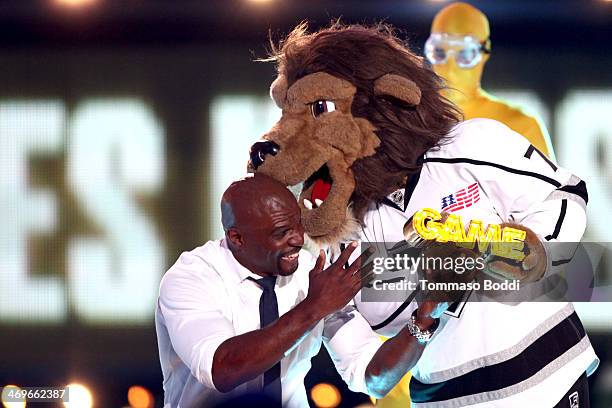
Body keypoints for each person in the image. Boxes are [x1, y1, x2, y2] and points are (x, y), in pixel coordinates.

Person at [155, 174, 449, 408]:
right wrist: (315, 307)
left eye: (298, 225)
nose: (298, 239)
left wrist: (422, 321)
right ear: (236, 238)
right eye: (281, 233)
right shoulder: (191, 277)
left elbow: (374, 378)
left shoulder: (311, 272)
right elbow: (223, 369)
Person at [426, 2, 554, 158]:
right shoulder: (411, 121)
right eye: (439, 52)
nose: (450, 67)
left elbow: (543, 182)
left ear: (484, 53)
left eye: (465, 54)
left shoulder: (520, 125)